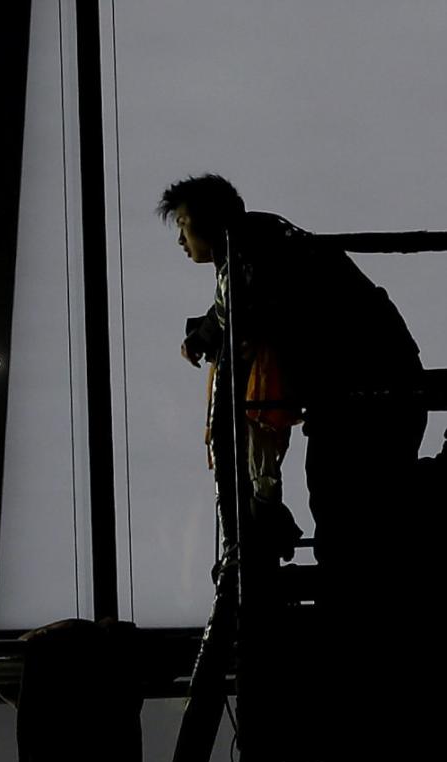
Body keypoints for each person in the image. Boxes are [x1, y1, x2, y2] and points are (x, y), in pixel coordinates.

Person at [158, 174, 424, 607]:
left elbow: (236, 307)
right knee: (360, 501)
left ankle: (356, 603)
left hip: (362, 396)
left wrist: (205, 337)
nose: (181, 239)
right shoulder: (268, 240)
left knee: (344, 504)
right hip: (377, 385)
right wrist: (208, 335)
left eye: (184, 223)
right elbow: (234, 309)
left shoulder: (250, 253)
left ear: (211, 220)